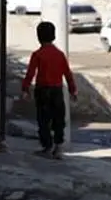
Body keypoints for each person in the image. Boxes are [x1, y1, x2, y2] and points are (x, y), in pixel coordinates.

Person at [22, 21, 78, 159]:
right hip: (57, 91)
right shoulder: (59, 54)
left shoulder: (37, 54)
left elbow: (30, 73)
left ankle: (47, 146)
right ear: (53, 36)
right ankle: (58, 148)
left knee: (43, 120)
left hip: (42, 91)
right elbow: (68, 74)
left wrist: (25, 89)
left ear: (38, 36)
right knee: (59, 119)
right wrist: (73, 91)